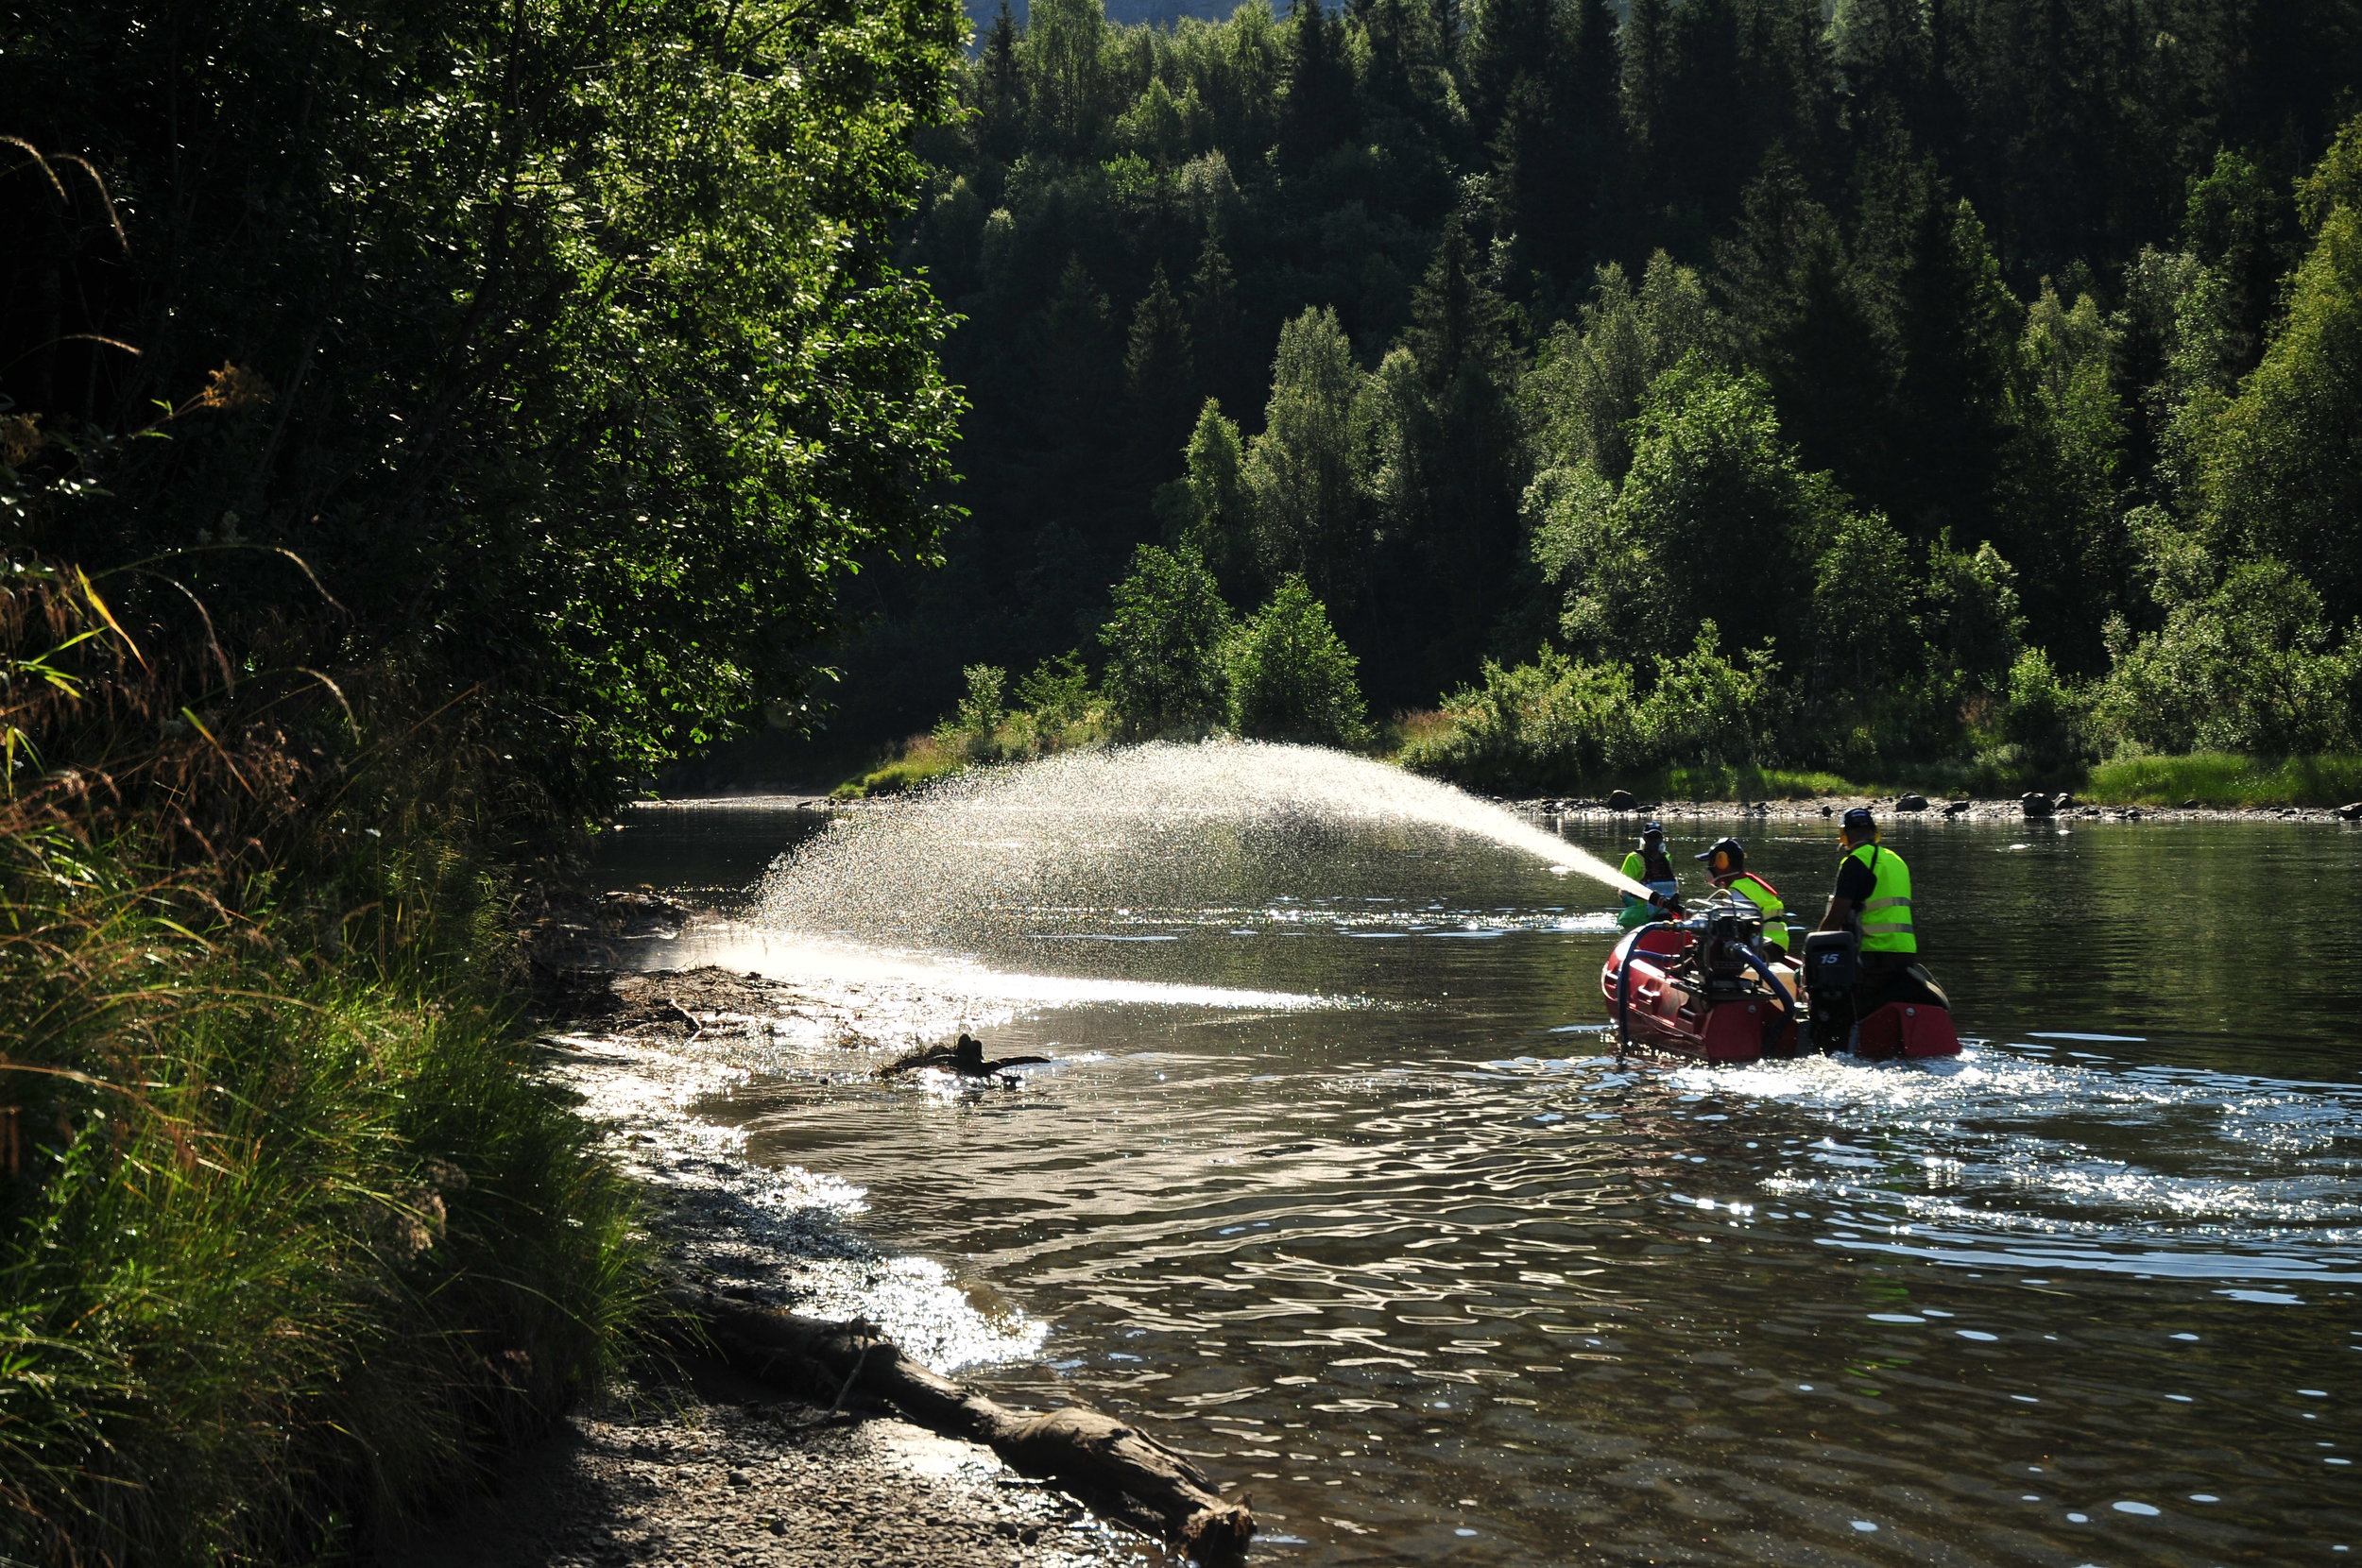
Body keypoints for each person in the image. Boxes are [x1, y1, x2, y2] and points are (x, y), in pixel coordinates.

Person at [1814, 806, 1945, 1016]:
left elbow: (1835, 918)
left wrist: (1811, 955)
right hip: (1904, 954)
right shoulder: (1896, 860)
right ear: (1875, 832)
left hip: (1871, 955)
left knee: (1832, 1000)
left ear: (1844, 835)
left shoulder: (1855, 862)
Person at [1695, 837, 1789, 958]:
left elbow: (1725, 926)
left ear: (1722, 862)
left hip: (1763, 948)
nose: (1708, 868)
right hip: (1774, 946)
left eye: (1710, 863)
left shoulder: (1737, 892)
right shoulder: (1747, 884)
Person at [1617, 822, 1680, 929]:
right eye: (1649, 837)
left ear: (1661, 839)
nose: (1653, 841)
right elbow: (1622, 890)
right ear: (1644, 839)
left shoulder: (1666, 857)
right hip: (1643, 914)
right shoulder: (1634, 858)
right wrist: (1632, 904)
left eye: (1656, 837)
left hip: (1666, 912)